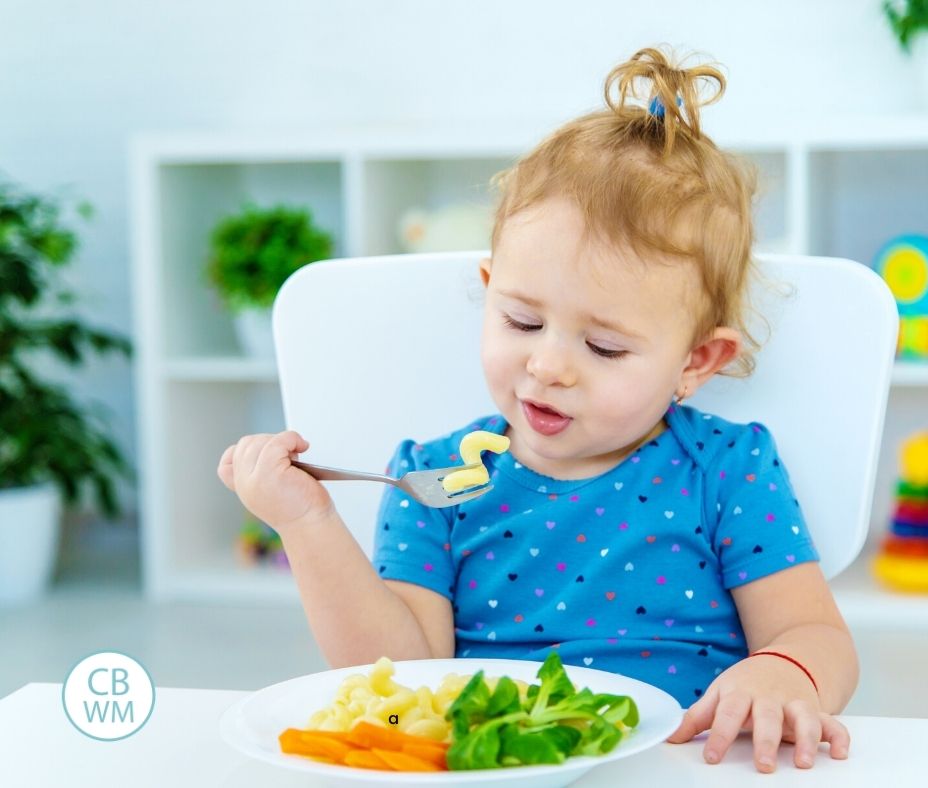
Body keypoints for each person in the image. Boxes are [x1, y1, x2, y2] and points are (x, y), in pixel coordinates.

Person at [217, 46, 856, 774]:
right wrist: (307, 524)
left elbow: (817, 634)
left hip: (684, 763)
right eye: (521, 321)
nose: (547, 366)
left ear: (695, 363)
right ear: (489, 290)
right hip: (494, 766)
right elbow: (397, 674)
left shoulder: (726, 468)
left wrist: (787, 672)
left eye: (605, 347)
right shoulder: (431, 479)